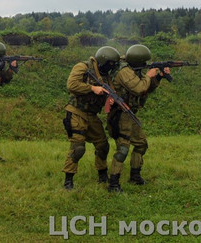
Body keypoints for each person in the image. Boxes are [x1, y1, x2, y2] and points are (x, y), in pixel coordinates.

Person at [106, 44, 169, 193]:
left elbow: (146, 89)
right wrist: (149, 75)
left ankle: (135, 176)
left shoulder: (135, 70)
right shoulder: (125, 72)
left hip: (130, 114)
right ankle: (113, 183)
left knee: (141, 144)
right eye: (143, 61)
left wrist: (158, 77)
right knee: (123, 148)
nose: (145, 64)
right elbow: (139, 88)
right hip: (120, 115)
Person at [62, 46, 120, 190]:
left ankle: (102, 175)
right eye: (109, 65)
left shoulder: (105, 77)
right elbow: (71, 85)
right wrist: (92, 88)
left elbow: (110, 92)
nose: (110, 68)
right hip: (77, 112)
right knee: (78, 148)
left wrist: (110, 99)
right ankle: (68, 181)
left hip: (92, 115)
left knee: (103, 146)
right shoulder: (83, 67)